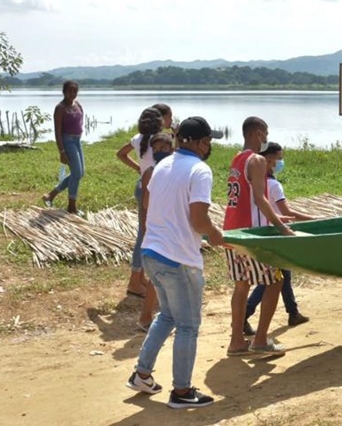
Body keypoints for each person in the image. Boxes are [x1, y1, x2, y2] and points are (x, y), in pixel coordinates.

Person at [125, 116, 224, 409]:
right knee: (188, 325)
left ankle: (142, 374)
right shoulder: (200, 170)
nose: (208, 146)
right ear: (195, 142)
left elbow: (149, 205)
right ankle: (181, 392)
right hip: (178, 259)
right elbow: (198, 218)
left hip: (152, 253)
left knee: (167, 316)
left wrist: (186, 230)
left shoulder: (162, 165)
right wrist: (215, 234)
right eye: (207, 141)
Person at [223, 117, 293, 357]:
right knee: (275, 281)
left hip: (232, 231)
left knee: (242, 284)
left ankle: (236, 342)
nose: (266, 138)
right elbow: (260, 198)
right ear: (257, 133)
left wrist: (275, 217)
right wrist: (281, 228)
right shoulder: (257, 159)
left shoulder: (236, 158)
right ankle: (260, 340)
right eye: (265, 134)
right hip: (253, 233)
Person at [243, 142, 314, 335]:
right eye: (279, 159)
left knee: (283, 275)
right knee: (274, 279)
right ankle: (245, 313)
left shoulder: (252, 181)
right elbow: (287, 212)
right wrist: (315, 219)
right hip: (275, 233)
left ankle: (293, 312)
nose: (281, 162)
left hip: (264, 230)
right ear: (268, 160)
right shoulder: (273, 185)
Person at [116, 106, 172, 298]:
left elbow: (120, 154)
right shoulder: (162, 140)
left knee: (145, 232)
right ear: (160, 121)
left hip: (143, 186)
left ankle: (139, 278)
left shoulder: (138, 139)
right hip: (155, 188)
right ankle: (134, 280)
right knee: (145, 234)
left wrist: (138, 169)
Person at [135, 132, 174, 331]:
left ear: (172, 149)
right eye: (156, 149)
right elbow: (146, 203)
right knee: (157, 275)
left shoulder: (172, 170)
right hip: (160, 229)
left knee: (165, 275)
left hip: (168, 229)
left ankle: (164, 315)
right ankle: (146, 316)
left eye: (163, 148)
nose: (159, 152)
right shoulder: (150, 172)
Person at [42, 81, 85, 214]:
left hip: (77, 141)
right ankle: (71, 206)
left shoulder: (78, 105)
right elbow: (57, 131)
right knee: (77, 173)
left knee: (80, 173)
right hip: (68, 141)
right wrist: (62, 150)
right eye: (69, 91)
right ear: (64, 92)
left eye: (74, 91)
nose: (72, 94)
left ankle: (51, 194)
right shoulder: (60, 108)